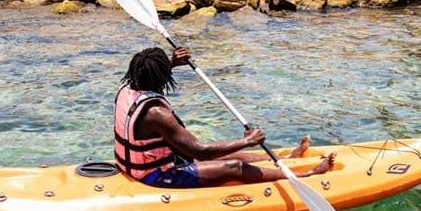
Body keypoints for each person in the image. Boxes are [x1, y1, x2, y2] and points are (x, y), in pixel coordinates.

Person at [114, 46, 335, 189]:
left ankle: (287, 160)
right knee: (234, 166)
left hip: (136, 166)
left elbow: (149, 75)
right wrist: (248, 140)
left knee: (235, 153)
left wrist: (171, 63)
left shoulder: (126, 89)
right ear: (159, 76)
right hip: (156, 177)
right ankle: (306, 175)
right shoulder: (157, 114)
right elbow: (199, 151)